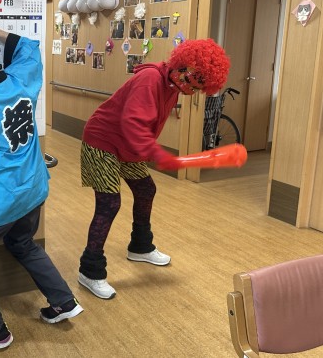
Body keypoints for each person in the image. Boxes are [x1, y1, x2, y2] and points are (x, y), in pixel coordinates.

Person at [0, 17, 84, 353]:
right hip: (32, 190)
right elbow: (30, 50)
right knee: (24, 244)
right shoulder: (19, 81)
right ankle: (63, 301)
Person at [77, 39, 230, 299]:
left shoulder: (173, 86)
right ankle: (90, 270)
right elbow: (133, 123)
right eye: (193, 80)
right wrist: (158, 154)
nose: (192, 89)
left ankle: (140, 246)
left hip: (127, 145)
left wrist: (149, 151)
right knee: (109, 203)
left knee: (146, 189)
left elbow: (146, 126)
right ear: (183, 64)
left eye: (198, 87)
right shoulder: (150, 79)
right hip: (101, 141)